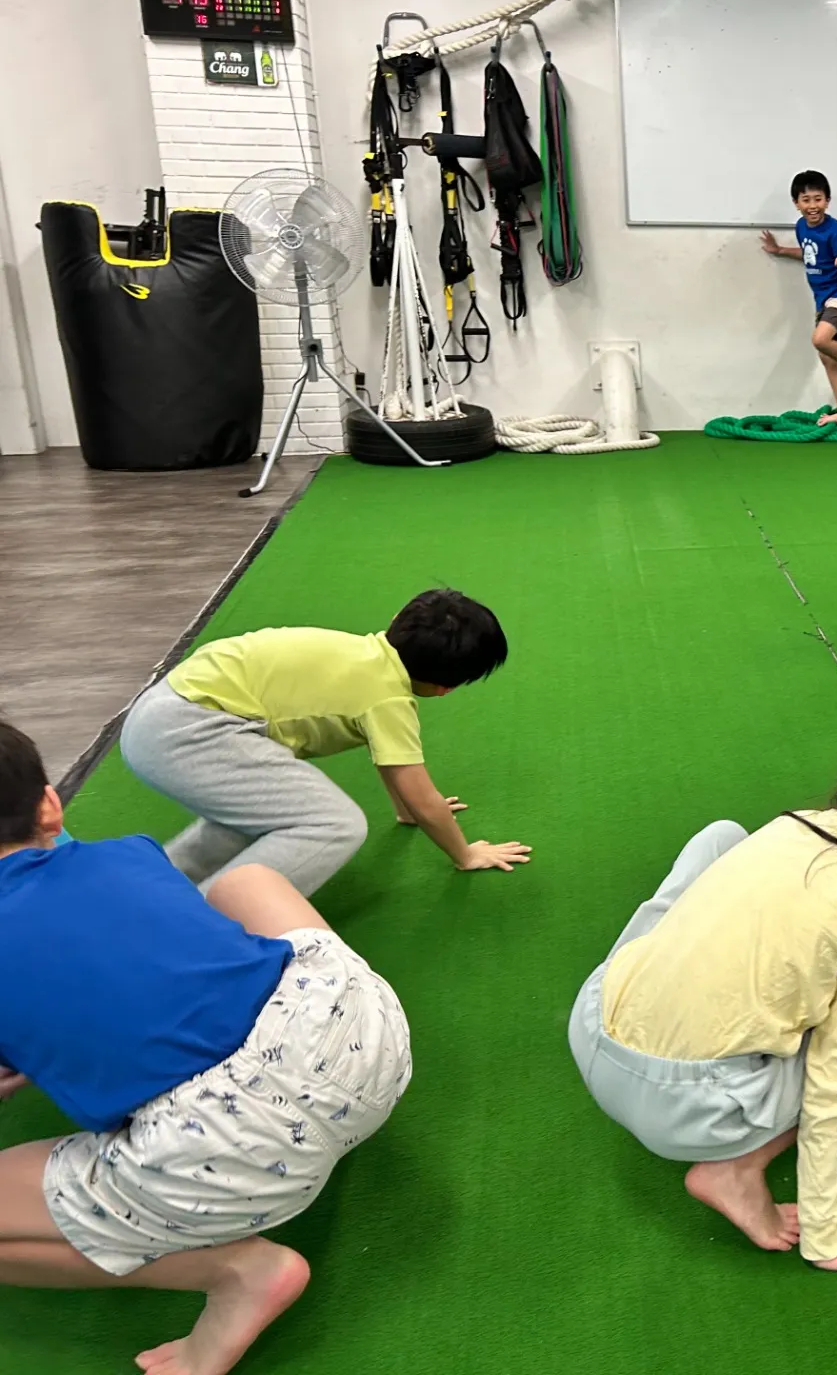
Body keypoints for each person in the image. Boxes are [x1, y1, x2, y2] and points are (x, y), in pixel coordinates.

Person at [0, 719, 411, 1375]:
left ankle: (236, 1272)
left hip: (224, 1155)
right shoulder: (132, 852)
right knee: (243, 885)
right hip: (356, 1036)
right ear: (50, 805)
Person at [568, 723, 837, 1280]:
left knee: (721, 838)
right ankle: (736, 1169)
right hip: (682, 1111)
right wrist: (826, 1238)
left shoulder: (797, 824)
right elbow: (834, 1090)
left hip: (591, 1020)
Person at [119, 589, 530, 897]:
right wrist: (466, 854)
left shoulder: (360, 654)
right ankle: (208, 924)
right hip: (195, 729)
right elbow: (421, 794)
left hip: (159, 710)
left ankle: (153, 896)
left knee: (261, 814)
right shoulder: (388, 699)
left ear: (396, 621)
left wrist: (407, 812)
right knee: (335, 824)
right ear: (445, 689)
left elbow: (396, 771)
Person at [759, 170, 837, 426]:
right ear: (797, 203)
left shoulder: (835, 230)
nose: (812, 206)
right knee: (826, 355)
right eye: (806, 200)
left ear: (827, 201)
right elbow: (810, 254)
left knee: (820, 340)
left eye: (818, 199)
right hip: (822, 297)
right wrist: (780, 250)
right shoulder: (801, 226)